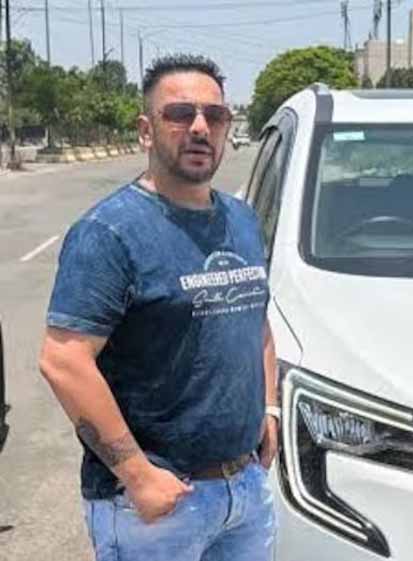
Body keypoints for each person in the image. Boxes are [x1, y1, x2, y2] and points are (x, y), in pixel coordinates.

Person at [38, 54, 279, 561]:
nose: (200, 128)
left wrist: (269, 408)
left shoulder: (241, 219)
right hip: (158, 509)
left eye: (215, 115)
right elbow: (63, 360)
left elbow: (256, 322)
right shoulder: (110, 232)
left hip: (245, 491)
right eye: (180, 114)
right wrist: (137, 474)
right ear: (146, 131)